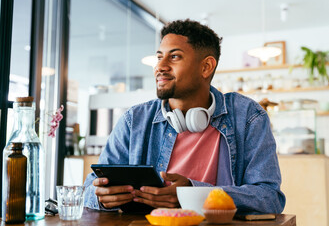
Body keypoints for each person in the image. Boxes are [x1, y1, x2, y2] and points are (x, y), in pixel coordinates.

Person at [84, 19, 286, 214]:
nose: (160, 66)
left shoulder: (248, 117)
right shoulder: (134, 120)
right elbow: (88, 189)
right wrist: (102, 197)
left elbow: (269, 198)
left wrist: (193, 194)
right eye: (159, 57)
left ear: (206, 67)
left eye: (174, 57)